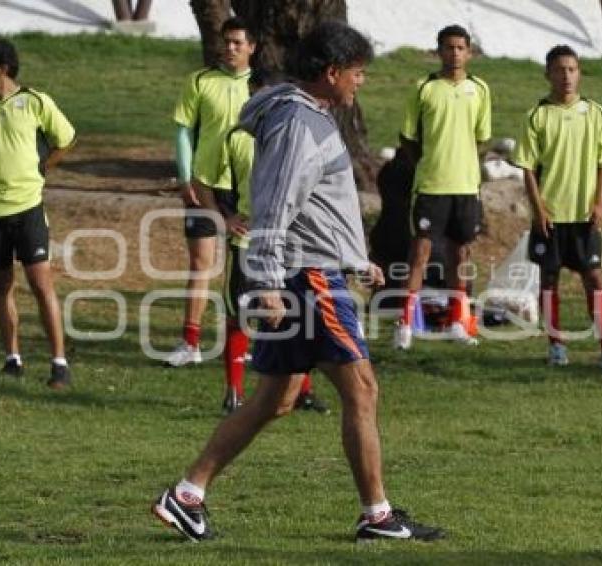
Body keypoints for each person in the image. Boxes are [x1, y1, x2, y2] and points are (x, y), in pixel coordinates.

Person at [152, 22, 443, 543]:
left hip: (314, 270)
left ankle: (187, 494)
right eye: (357, 73)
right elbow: (275, 205)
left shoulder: (309, 116)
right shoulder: (297, 125)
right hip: (306, 280)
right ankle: (376, 516)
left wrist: (354, 259)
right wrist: (265, 280)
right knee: (363, 390)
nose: (361, 83)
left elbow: (316, 207)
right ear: (331, 73)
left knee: (276, 400)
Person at [194, 66, 329, 415]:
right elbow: (203, 181)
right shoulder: (235, 136)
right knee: (241, 315)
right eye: (258, 94)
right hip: (249, 245)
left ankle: (303, 391)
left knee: (298, 316)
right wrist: (224, 219)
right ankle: (234, 391)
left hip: (291, 246)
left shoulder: (299, 133)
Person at [0, 39, 76, 389]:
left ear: (2, 69)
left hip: (29, 209)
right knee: (1, 285)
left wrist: (43, 167)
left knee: (41, 284)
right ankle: (12, 359)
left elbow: (65, 139)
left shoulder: (36, 102)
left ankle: (59, 363)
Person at [511, 45, 602, 372]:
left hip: (583, 216)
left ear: (579, 72)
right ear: (548, 74)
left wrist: (600, 202)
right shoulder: (537, 115)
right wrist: (538, 210)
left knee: (594, 278)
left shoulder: (595, 113)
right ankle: (556, 345)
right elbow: (527, 168)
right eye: (559, 70)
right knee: (549, 280)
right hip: (551, 216)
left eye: (571, 69)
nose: (566, 76)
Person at [164, 17, 255, 368]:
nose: (230, 48)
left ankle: (243, 340)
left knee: (245, 268)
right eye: (226, 42)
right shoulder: (200, 81)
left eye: (237, 43)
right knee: (201, 263)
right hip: (205, 183)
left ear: (252, 47)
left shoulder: (261, 87)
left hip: (245, 187)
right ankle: (190, 342)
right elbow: (183, 130)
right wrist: (185, 177)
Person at [394, 24, 491, 350]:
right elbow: (407, 138)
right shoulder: (423, 88)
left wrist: (465, 165)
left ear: (470, 52)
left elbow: (482, 138)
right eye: (448, 48)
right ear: (439, 51)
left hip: (465, 186)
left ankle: (458, 322)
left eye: (461, 48)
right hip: (431, 185)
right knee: (420, 253)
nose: (455, 53)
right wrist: (428, 163)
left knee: (459, 254)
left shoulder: (480, 89)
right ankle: (405, 324)